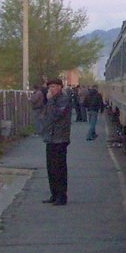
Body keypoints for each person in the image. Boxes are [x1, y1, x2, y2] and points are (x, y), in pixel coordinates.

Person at [31, 76, 74, 204]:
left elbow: (56, 115)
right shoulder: (53, 100)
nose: (51, 89)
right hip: (50, 137)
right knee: (51, 168)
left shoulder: (63, 99)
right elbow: (46, 115)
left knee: (59, 168)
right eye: (50, 87)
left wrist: (50, 101)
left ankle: (62, 196)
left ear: (60, 87)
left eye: (54, 87)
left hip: (60, 138)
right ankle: (54, 194)